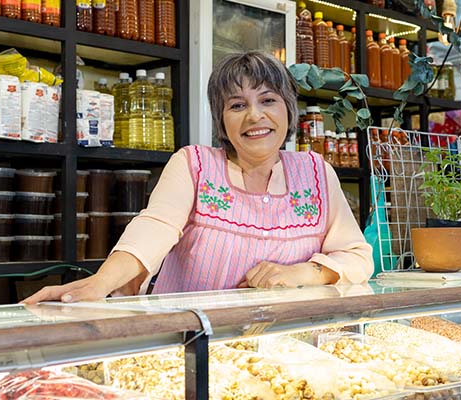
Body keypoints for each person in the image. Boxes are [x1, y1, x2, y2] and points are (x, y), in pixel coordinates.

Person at [25, 52, 373, 303]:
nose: (255, 116)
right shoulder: (194, 165)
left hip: (288, 347)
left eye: (268, 100)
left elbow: (358, 257)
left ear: (288, 109)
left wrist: (305, 273)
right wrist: (99, 284)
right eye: (237, 105)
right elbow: (153, 229)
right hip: (192, 343)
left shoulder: (316, 172)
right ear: (221, 120)